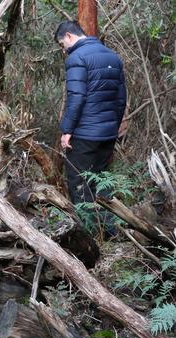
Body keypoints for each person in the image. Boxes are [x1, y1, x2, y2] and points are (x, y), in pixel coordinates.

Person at [54, 21, 126, 205]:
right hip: (108, 134)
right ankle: (110, 230)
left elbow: (76, 98)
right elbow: (121, 99)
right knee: (101, 183)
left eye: (63, 45)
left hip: (85, 135)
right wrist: (113, 128)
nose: (64, 50)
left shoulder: (76, 58)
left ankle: (88, 231)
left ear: (69, 36)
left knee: (79, 185)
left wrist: (67, 131)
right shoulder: (113, 57)